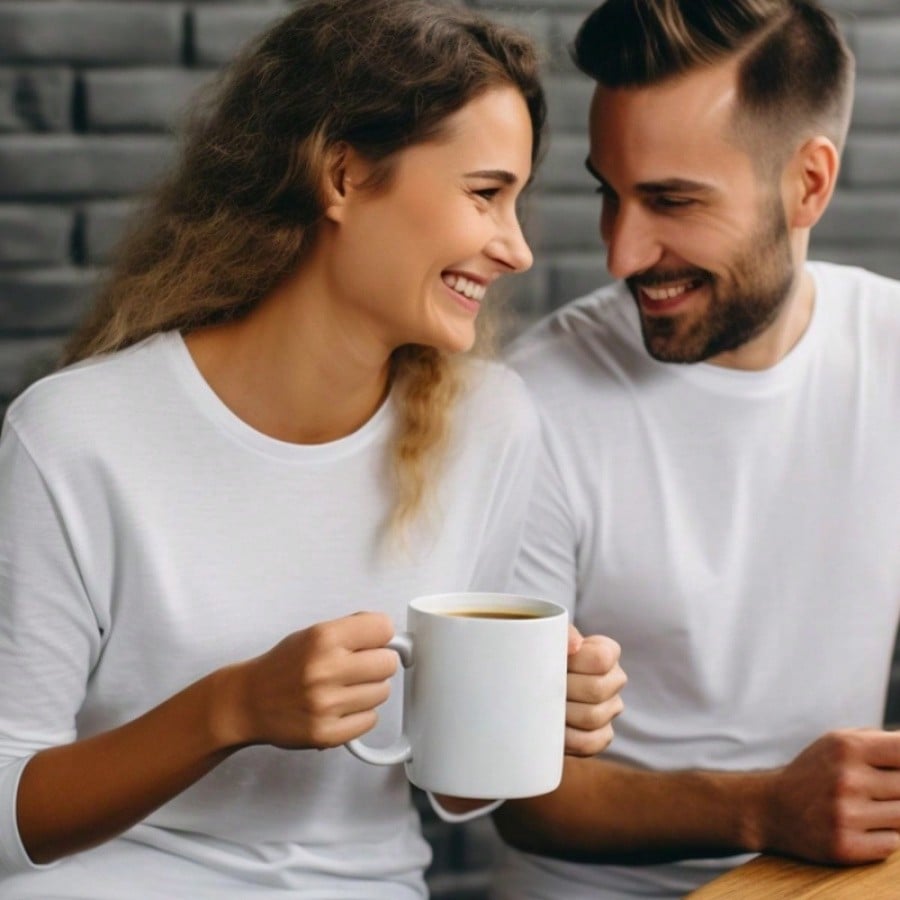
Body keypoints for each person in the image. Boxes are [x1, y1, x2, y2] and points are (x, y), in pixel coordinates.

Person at [0, 1, 626, 896]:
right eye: (485, 194)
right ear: (343, 176)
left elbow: (455, 788)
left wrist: (535, 715)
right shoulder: (72, 436)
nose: (517, 248)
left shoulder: (494, 426)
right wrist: (232, 708)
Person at [488, 0, 900, 897]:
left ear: (809, 185)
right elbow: (515, 790)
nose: (622, 252)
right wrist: (764, 809)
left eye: (672, 200)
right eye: (610, 192)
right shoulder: (530, 406)